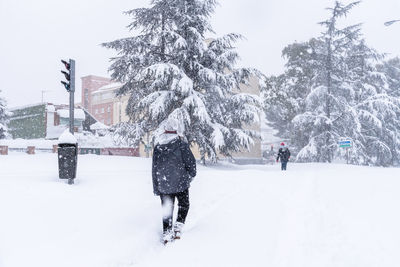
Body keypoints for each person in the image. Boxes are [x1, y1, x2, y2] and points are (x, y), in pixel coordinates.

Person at [152, 118, 196, 244]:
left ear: (165, 129)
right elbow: (191, 164)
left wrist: (156, 187)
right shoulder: (181, 144)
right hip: (181, 183)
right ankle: (178, 227)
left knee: (167, 209)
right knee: (184, 205)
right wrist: (189, 177)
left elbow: (154, 169)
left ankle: (167, 233)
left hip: (164, 185)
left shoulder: (158, 146)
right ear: (175, 129)